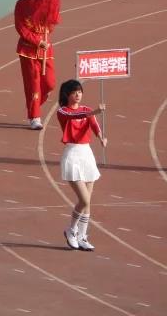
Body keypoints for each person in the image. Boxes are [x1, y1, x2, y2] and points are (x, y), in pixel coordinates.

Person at [57, 79, 107, 251]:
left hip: (87, 154)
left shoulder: (86, 110)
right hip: (72, 155)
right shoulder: (63, 111)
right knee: (84, 200)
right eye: (74, 92)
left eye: (79, 91)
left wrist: (101, 137)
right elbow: (74, 116)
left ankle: (82, 236)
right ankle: (71, 230)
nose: (78, 95)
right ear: (67, 95)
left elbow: (94, 124)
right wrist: (94, 111)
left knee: (88, 201)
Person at [14, 0, 61, 129]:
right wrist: (37, 41)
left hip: (45, 49)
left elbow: (53, 22)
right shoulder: (21, 4)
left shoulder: (47, 2)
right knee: (33, 84)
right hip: (28, 50)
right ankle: (35, 117)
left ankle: (33, 104)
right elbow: (21, 28)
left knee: (50, 83)